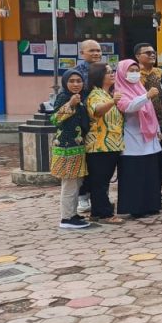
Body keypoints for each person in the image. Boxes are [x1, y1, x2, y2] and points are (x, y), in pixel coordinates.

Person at [114, 60, 162, 218]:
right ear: (122, 73)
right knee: (135, 176)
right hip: (132, 141)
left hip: (148, 138)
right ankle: (135, 208)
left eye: (136, 70)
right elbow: (128, 107)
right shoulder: (119, 91)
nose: (134, 73)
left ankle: (151, 205)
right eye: (131, 70)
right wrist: (146, 96)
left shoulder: (139, 87)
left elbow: (151, 112)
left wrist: (157, 129)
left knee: (149, 174)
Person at [50, 70, 91, 229]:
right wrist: (70, 104)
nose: (75, 84)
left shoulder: (81, 98)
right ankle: (66, 218)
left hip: (77, 147)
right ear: (65, 83)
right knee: (69, 184)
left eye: (79, 81)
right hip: (66, 148)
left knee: (76, 183)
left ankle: (72, 214)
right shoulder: (63, 97)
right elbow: (55, 119)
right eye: (71, 81)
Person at [84, 63, 124, 224]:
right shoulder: (95, 94)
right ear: (98, 76)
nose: (112, 74)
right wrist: (113, 102)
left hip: (111, 144)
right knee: (100, 182)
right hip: (99, 145)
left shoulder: (107, 94)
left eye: (112, 71)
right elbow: (97, 110)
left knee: (102, 181)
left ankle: (96, 212)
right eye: (108, 72)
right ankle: (105, 214)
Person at [71, 39, 102, 214]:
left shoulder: (104, 70)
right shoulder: (77, 74)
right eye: (92, 50)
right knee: (85, 162)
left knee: (99, 163)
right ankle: (82, 197)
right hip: (85, 124)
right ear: (82, 53)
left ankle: (97, 195)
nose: (96, 53)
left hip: (102, 124)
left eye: (98, 50)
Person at [133, 43, 162, 193]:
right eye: (147, 53)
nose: (152, 55)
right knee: (146, 160)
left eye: (153, 52)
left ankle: (157, 191)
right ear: (137, 56)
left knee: (161, 159)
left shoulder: (161, 73)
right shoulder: (134, 75)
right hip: (141, 124)